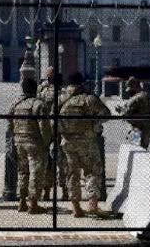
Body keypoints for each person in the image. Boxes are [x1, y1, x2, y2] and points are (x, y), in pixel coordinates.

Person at [59, 72, 110, 218]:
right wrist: (94, 123)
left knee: (72, 173)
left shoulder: (61, 99)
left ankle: (76, 207)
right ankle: (92, 204)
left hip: (67, 141)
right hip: (87, 141)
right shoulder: (89, 99)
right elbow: (106, 114)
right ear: (82, 83)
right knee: (92, 171)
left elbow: (52, 119)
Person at [8, 77, 49, 214]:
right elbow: (44, 127)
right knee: (36, 172)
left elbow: (9, 124)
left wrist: (13, 140)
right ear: (35, 89)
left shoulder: (16, 104)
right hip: (34, 142)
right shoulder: (38, 104)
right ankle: (33, 203)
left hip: (19, 141)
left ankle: (22, 201)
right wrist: (47, 142)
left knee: (23, 172)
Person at [38, 72, 68, 202]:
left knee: (47, 161)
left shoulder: (43, 93)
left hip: (46, 129)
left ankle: (46, 191)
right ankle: (65, 191)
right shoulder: (65, 95)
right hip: (61, 129)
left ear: (50, 81)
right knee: (63, 161)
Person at [116, 77, 150, 150]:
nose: (130, 92)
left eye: (131, 90)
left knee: (136, 150)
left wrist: (120, 110)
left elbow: (125, 114)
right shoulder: (147, 96)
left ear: (134, 86)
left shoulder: (136, 98)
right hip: (147, 128)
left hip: (138, 129)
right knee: (143, 150)